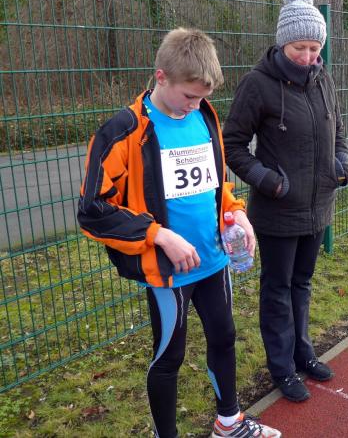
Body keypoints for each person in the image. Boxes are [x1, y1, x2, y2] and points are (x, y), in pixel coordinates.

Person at [77, 28, 281, 438]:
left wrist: (235, 212)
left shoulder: (204, 116)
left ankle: (229, 423)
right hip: (167, 271)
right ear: (161, 76)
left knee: (224, 337)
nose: (195, 104)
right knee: (169, 356)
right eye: (189, 96)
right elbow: (93, 210)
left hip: (213, 258)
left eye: (203, 97)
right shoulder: (124, 130)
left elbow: (214, 182)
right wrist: (159, 235)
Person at [223, 0, 348, 403]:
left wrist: (342, 162)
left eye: (315, 48)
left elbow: (339, 129)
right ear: (283, 44)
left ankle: (303, 354)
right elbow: (232, 145)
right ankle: (281, 367)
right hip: (278, 209)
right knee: (277, 289)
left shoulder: (323, 79)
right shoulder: (257, 84)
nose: (309, 56)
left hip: (319, 205)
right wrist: (266, 180)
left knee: (303, 283)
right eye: (301, 48)